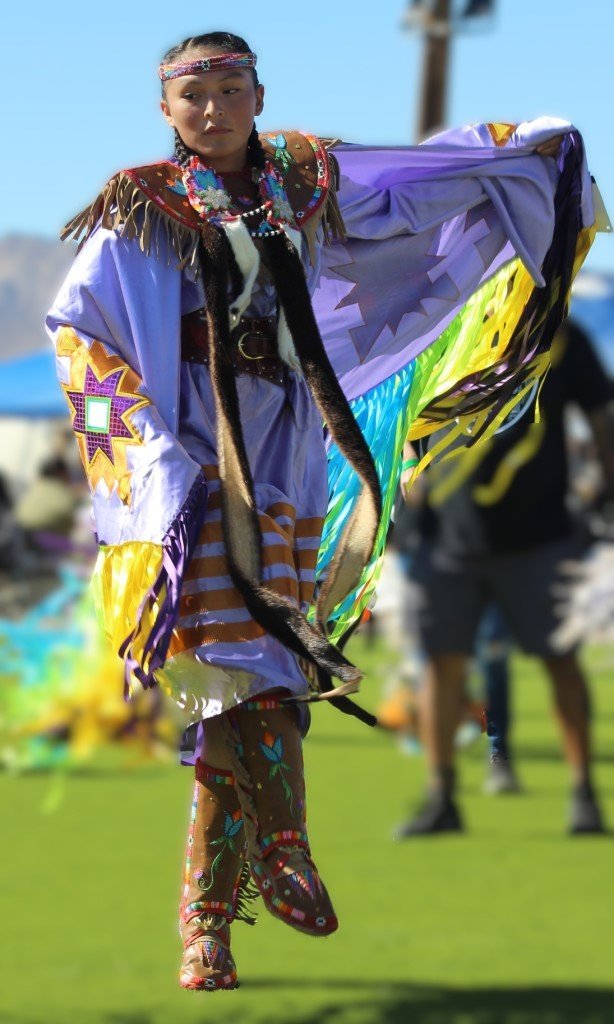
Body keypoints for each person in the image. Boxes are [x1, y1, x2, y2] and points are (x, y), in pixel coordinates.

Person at [47, 30, 597, 991]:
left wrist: (512, 152)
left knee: (250, 691)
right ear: (164, 110)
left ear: (259, 95)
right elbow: (80, 338)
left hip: (291, 461)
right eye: (193, 96)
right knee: (241, 672)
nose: (212, 110)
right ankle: (283, 850)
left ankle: (208, 927)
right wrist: (146, 461)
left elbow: (413, 194)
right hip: (190, 472)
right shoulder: (139, 209)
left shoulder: (306, 183)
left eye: (230, 90)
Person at [396, 320, 614, 839]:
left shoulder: (557, 334)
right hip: (448, 539)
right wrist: (412, 482)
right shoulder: (446, 328)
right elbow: (410, 412)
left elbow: (603, 417)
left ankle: (585, 795)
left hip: (540, 537)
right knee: (441, 668)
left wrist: (604, 499)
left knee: (559, 660)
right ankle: (441, 796)